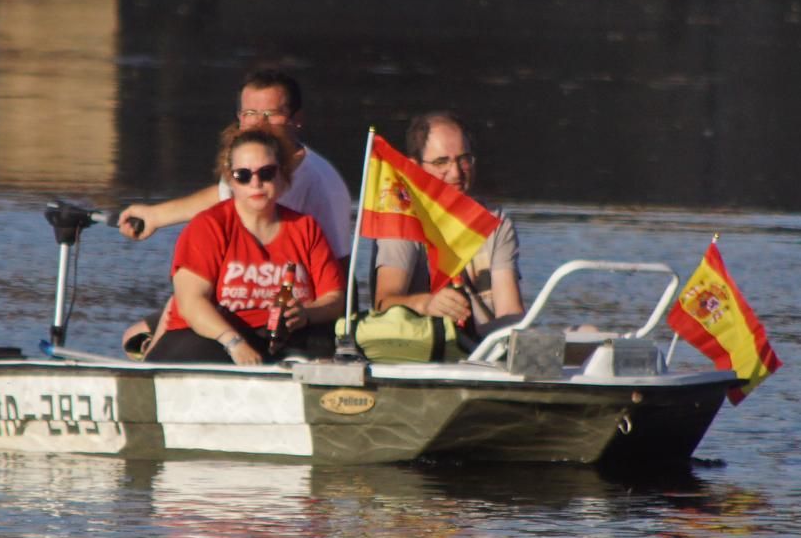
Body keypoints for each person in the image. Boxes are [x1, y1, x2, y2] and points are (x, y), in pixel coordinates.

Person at [145, 128, 346, 364]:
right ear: (230, 180)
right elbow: (191, 302)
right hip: (212, 337)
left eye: (267, 173)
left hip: (283, 338)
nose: (256, 183)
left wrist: (306, 314)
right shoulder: (208, 226)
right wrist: (233, 342)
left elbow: (334, 299)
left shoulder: (306, 228)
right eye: (243, 175)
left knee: (325, 348)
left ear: (283, 175)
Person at [118, 68, 352, 263]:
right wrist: (155, 216)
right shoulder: (244, 158)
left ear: (297, 119)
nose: (260, 123)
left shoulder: (321, 182)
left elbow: (338, 267)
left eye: (271, 114)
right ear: (240, 118)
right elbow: (222, 197)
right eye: (251, 113)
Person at [371, 112, 523, 334]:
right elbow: (383, 304)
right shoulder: (401, 221)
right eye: (442, 162)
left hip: (486, 351)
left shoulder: (497, 222)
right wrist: (426, 304)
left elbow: (510, 314)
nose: (456, 172)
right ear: (414, 168)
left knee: (585, 331)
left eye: (464, 159)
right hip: (422, 349)